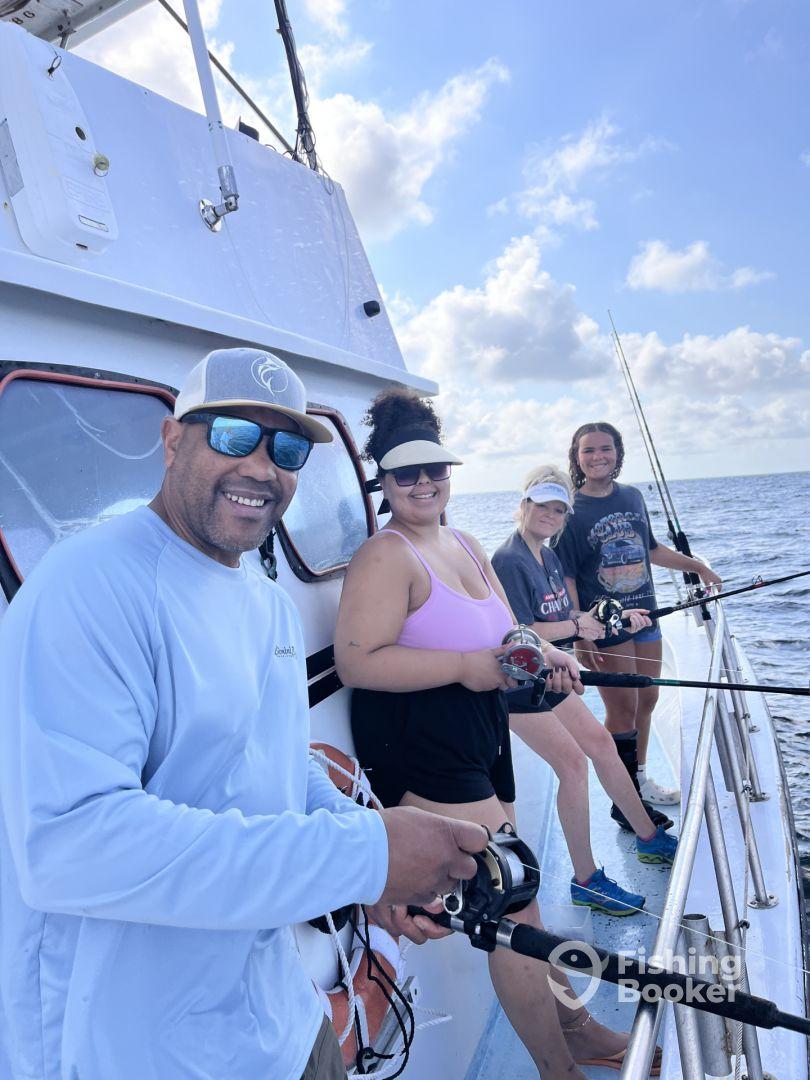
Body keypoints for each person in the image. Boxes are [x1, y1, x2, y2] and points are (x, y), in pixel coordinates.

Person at [0, 348, 491, 1080]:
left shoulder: (267, 604)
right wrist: (366, 855)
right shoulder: (87, 587)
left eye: (287, 448)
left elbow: (276, 765)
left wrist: (368, 862)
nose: (262, 467)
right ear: (172, 441)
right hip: (133, 1050)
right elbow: (71, 845)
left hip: (276, 1018)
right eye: (234, 435)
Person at [335, 389, 658, 1079]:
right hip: (422, 738)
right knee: (515, 905)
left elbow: (510, 630)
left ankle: (578, 1032)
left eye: (435, 469)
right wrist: (465, 666)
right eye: (405, 473)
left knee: (522, 889)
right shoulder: (385, 555)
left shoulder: (462, 541)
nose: (424, 483)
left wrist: (544, 653)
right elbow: (357, 662)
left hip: (481, 726)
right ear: (383, 480)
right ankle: (558, 1067)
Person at [491, 465, 678, 917]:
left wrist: (613, 617)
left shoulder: (548, 557)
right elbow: (517, 630)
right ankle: (587, 881)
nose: (550, 515)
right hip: (518, 683)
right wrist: (577, 628)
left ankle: (649, 838)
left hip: (551, 676)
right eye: (543, 506)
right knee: (573, 765)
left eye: (560, 510)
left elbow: (568, 617)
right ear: (524, 505)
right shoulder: (508, 560)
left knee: (601, 745)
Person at [555, 422, 721, 826]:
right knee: (622, 708)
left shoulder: (631, 496)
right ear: (576, 457)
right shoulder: (571, 510)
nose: (598, 456)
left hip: (646, 613)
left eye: (605, 448)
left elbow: (651, 550)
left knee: (647, 698)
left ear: (618, 453)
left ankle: (640, 778)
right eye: (588, 450)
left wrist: (697, 566)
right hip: (605, 624)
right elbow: (568, 576)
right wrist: (580, 631)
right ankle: (624, 797)